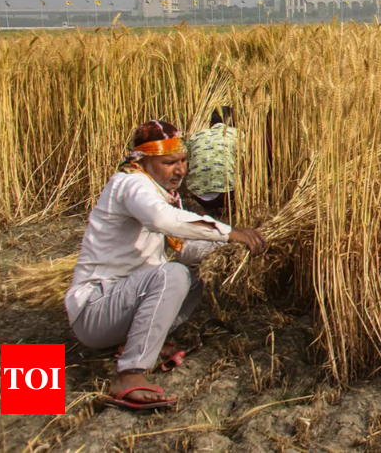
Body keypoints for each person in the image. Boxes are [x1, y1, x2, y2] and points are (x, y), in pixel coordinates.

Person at [65, 120, 266, 410]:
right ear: (144, 161)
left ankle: (139, 344)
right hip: (95, 310)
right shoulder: (130, 184)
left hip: (119, 308)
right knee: (173, 274)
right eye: (169, 162)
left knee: (196, 273)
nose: (181, 170)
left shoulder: (160, 192)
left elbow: (185, 247)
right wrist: (227, 231)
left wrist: (232, 248)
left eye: (183, 161)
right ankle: (129, 375)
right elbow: (161, 220)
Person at [185, 107, 241, 220]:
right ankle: (232, 215)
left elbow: (187, 162)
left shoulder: (195, 136)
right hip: (226, 195)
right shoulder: (237, 134)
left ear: (210, 123)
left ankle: (208, 213)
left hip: (197, 195)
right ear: (231, 120)